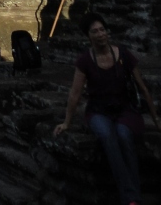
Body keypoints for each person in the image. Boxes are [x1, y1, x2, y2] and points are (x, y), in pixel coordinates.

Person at [54, 11, 160, 205]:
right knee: (107, 136)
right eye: (95, 31)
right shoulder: (85, 61)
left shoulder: (124, 55)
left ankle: (132, 195)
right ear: (88, 36)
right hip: (98, 111)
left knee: (124, 135)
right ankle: (131, 198)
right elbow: (75, 93)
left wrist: (156, 119)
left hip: (125, 110)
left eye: (102, 30)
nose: (100, 34)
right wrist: (66, 122)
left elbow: (143, 88)